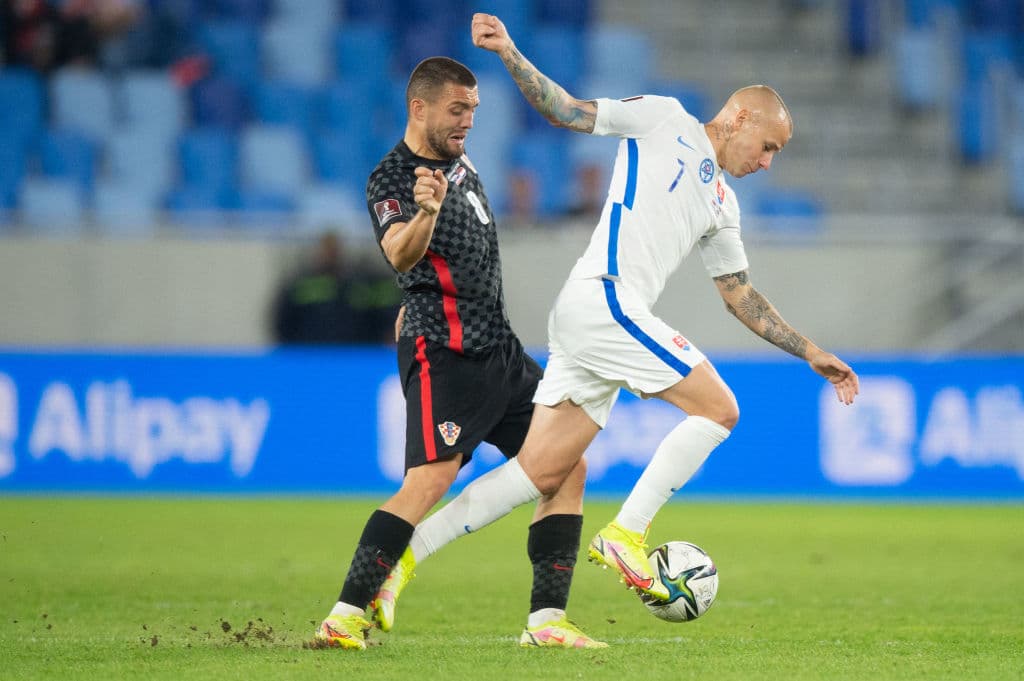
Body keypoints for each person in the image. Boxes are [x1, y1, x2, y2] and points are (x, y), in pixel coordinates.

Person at [374, 12, 861, 617]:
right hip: (604, 298)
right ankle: (627, 533)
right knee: (720, 408)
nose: (767, 163)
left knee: (539, 472)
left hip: (597, 318)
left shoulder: (721, 202)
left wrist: (811, 351)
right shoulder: (663, 119)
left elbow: (739, 294)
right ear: (739, 118)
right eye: (768, 147)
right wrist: (509, 52)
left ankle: (404, 562)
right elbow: (567, 111)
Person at [313, 56, 603, 650]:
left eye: (472, 109)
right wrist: (426, 210)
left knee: (567, 466)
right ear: (418, 107)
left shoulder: (460, 161)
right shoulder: (393, 177)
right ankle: (344, 614)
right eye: (457, 109)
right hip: (446, 348)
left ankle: (546, 622)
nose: (468, 120)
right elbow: (399, 255)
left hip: (498, 345)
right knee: (430, 479)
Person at [272, 231, 400, 345]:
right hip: (310, 355)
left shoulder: (361, 284)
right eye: (327, 250)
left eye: (334, 250)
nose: (330, 254)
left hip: (356, 354)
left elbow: (378, 318)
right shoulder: (300, 284)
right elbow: (283, 320)